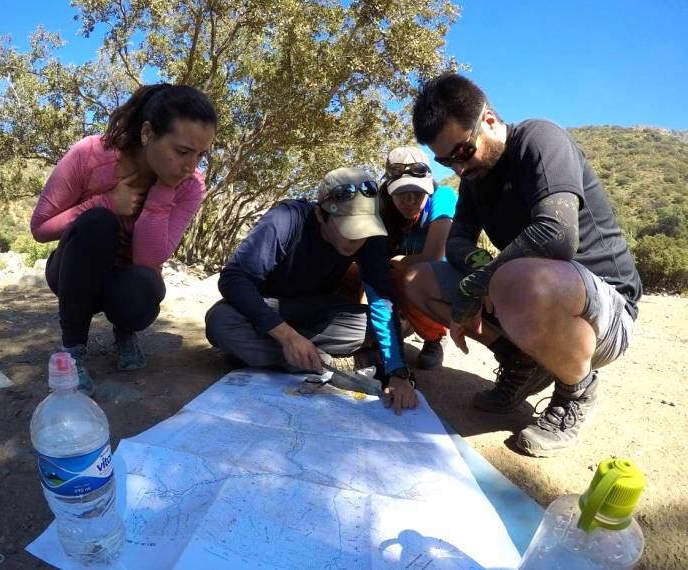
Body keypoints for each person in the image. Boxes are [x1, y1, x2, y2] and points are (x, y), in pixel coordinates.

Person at [406, 73, 642, 456]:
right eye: (447, 161)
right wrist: (482, 273)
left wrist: (478, 282)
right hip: (526, 292)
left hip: (607, 311)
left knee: (517, 278)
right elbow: (459, 242)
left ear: (490, 120)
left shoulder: (539, 139)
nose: (459, 168)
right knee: (416, 277)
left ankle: (576, 390)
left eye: (463, 153)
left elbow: (556, 234)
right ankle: (521, 364)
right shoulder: (473, 181)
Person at [31, 84, 217, 395]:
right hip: (73, 272)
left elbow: (148, 259)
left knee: (145, 285)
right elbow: (41, 228)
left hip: (127, 282)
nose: (191, 166)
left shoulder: (189, 185)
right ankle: (74, 350)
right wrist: (104, 203)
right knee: (99, 222)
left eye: (200, 154)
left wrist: (163, 192)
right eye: (182, 152)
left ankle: (125, 332)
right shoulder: (90, 154)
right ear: (147, 134)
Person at [205, 167, 417, 415]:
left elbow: (381, 299)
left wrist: (398, 373)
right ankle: (331, 362)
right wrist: (288, 337)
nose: (357, 239)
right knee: (221, 321)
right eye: (348, 228)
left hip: (319, 313)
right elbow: (234, 279)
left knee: (386, 324)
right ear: (320, 213)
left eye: (363, 229)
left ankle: (267, 356)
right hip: (270, 310)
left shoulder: (371, 237)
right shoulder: (286, 219)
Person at [379, 146, 457, 370]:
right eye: (402, 193)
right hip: (402, 283)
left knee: (406, 275)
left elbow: (434, 255)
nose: (410, 201)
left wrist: (398, 261)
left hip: (440, 280)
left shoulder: (443, 198)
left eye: (418, 192)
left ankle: (435, 336)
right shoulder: (381, 205)